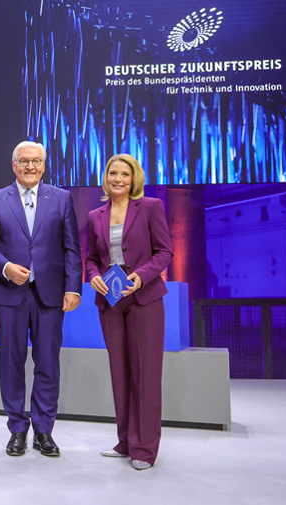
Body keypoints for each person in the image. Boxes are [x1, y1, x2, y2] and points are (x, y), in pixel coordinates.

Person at [0, 140, 82, 457]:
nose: (30, 166)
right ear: (14, 165)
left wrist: (73, 287)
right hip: (7, 293)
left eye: (36, 161)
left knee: (48, 364)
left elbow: (71, 248)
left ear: (44, 165)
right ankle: (17, 429)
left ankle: (44, 431)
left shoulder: (61, 199)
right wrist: (6, 267)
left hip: (50, 296)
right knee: (11, 364)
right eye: (24, 161)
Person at [85, 153, 173, 470]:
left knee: (145, 376)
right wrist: (93, 275)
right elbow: (92, 257)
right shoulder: (96, 215)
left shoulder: (150, 207)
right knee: (120, 374)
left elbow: (165, 251)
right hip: (110, 299)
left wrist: (142, 275)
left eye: (125, 174)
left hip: (144, 298)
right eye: (113, 173)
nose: (118, 179)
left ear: (134, 178)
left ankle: (144, 449)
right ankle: (125, 442)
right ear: (106, 177)